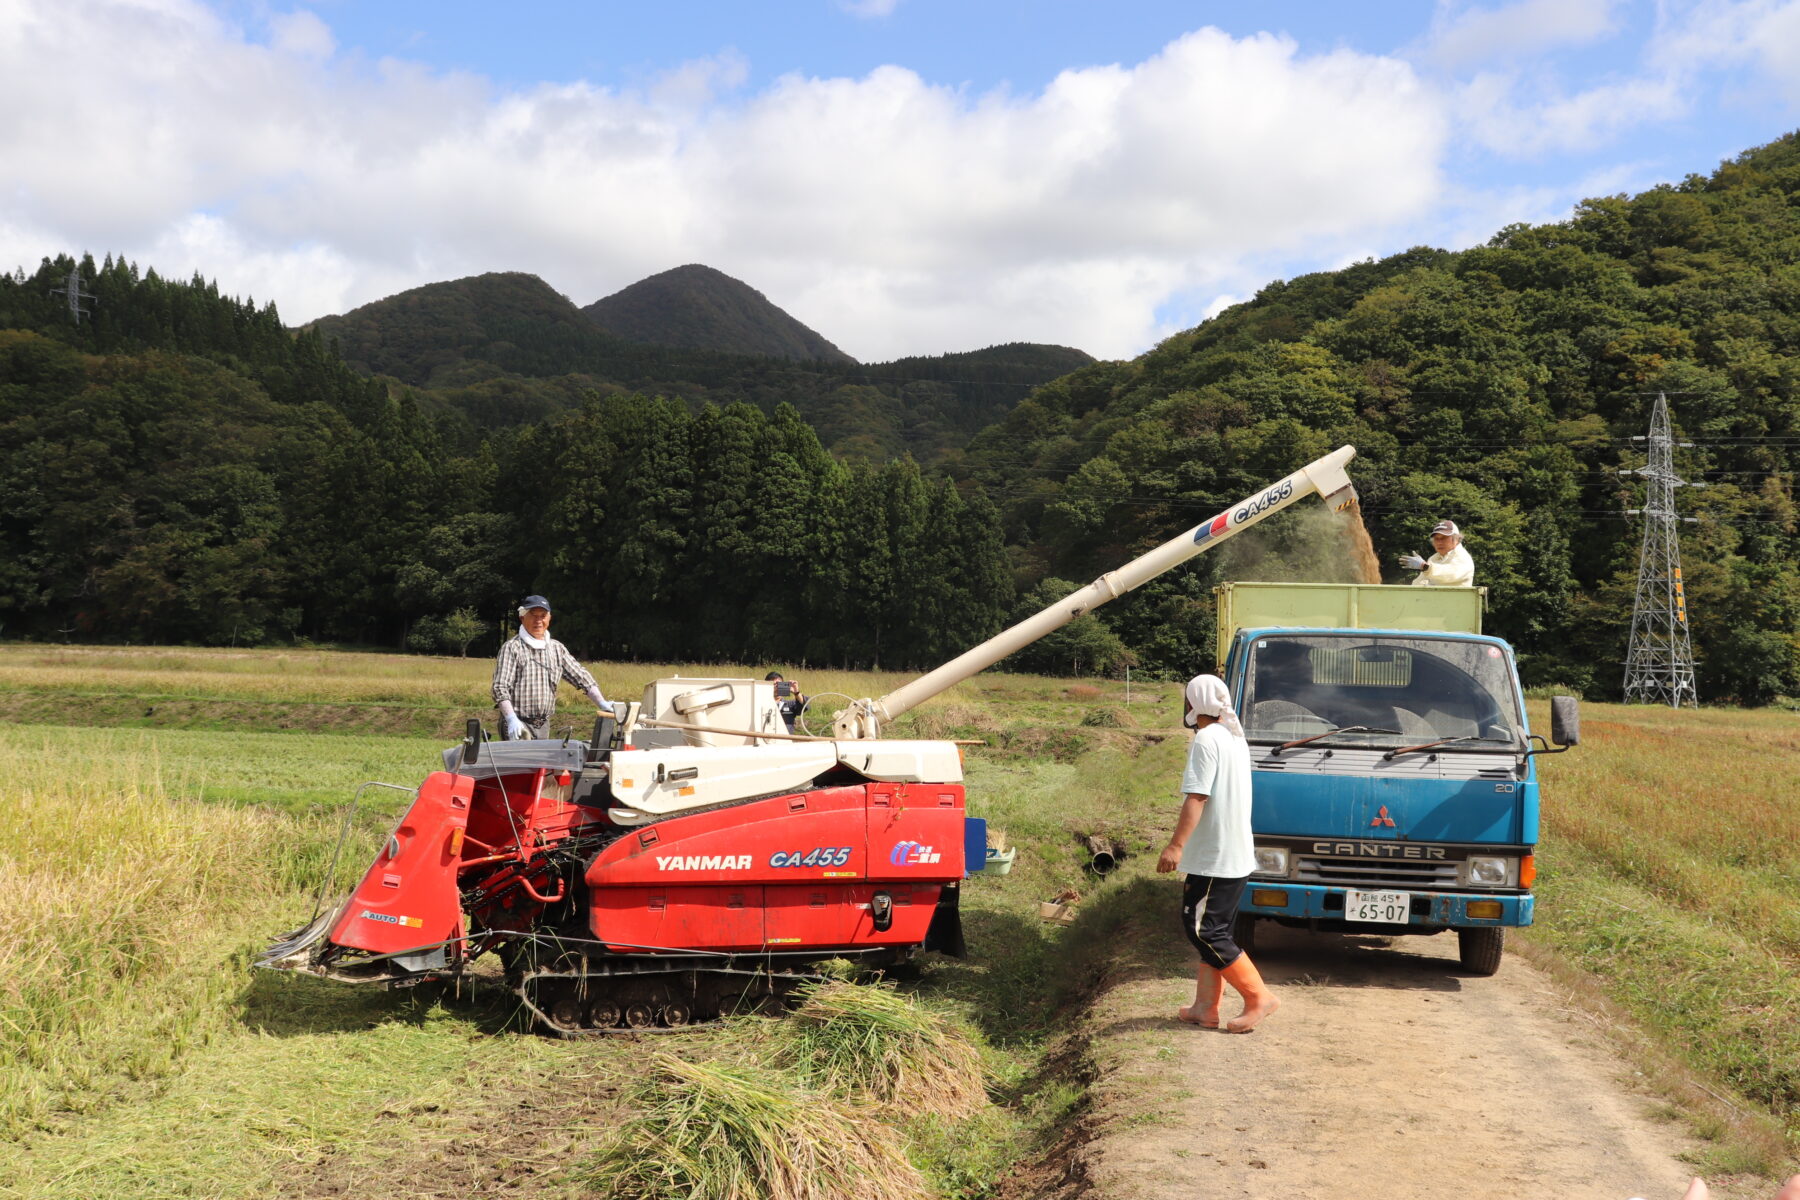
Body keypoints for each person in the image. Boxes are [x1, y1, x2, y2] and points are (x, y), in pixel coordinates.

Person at [1156, 674, 1280, 1034]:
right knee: (1215, 929)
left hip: (1216, 856)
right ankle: (1205, 1007)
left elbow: (1197, 796)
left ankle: (1259, 998)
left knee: (1204, 930)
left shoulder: (1207, 739)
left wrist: (1175, 845)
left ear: (1195, 703)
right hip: (1233, 853)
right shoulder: (1233, 738)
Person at [491, 595, 614, 740]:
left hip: (543, 725)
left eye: (543, 616)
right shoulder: (512, 648)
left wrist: (601, 702)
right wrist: (511, 719)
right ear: (522, 618)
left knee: (541, 763)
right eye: (533, 615)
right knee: (522, 762)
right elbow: (499, 687)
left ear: (549, 618)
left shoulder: (556, 648)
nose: (538, 621)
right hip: (518, 724)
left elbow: (581, 676)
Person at [1399, 518, 1475, 587]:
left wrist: (1425, 567)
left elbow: (1449, 575)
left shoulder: (1463, 557)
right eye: (1436, 539)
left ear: (1456, 540)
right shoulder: (1433, 559)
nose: (1439, 542)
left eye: (1444, 538)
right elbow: (1419, 583)